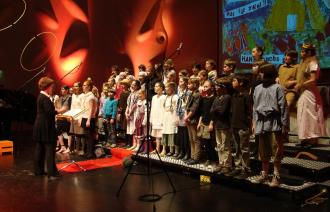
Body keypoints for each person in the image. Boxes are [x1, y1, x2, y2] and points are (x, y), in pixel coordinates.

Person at [250, 64, 288, 187]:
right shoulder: (257, 88)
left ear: (267, 74)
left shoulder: (278, 88)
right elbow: (255, 107)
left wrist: (285, 125)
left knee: (276, 149)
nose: (259, 75)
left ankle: (276, 175)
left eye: (261, 73)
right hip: (261, 122)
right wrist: (254, 123)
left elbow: (284, 108)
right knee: (263, 150)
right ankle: (264, 173)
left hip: (274, 122)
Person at [296, 43, 325, 145]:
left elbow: (312, 80)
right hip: (304, 92)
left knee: (310, 115)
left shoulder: (312, 63)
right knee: (303, 115)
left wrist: (300, 85)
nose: (301, 53)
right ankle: (305, 138)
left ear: (309, 52)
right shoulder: (303, 63)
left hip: (310, 92)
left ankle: (312, 140)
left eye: (303, 51)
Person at [33, 76, 60, 180]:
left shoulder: (40, 96)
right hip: (46, 126)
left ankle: (38, 170)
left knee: (39, 148)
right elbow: (49, 113)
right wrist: (59, 110)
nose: (52, 88)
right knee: (49, 148)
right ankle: (52, 172)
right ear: (48, 87)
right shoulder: (45, 98)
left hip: (39, 125)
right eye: (51, 86)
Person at [227, 74, 252, 178]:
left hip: (243, 126)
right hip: (235, 125)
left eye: (234, 81)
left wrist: (249, 125)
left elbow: (249, 112)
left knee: (244, 148)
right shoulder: (234, 95)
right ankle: (238, 167)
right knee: (237, 148)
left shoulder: (246, 96)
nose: (232, 83)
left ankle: (245, 169)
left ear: (241, 83)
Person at [210, 77, 232, 173]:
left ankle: (227, 165)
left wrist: (216, 110)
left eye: (218, 86)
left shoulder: (227, 97)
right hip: (217, 124)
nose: (216, 88)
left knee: (225, 145)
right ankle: (221, 163)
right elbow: (211, 111)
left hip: (225, 124)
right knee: (219, 145)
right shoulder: (216, 98)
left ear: (223, 87)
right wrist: (216, 109)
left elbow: (222, 111)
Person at [80, 80, 98, 158]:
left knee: (90, 136)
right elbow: (83, 108)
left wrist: (88, 120)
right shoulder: (85, 96)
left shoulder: (91, 97)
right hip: (84, 117)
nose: (83, 87)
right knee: (86, 136)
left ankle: (90, 153)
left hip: (89, 118)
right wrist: (81, 118)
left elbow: (91, 109)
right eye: (83, 85)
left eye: (85, 85)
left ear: (89, 87)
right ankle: (87, 152)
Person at [160, 82, 179, 156]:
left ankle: (175, 151)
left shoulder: (175, 97)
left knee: (172, 133)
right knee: (165, 133)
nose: (166, 89)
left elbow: (177, 108)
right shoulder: (165, 97)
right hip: (166, 116)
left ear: (172, 88)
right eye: (166, 87)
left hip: (172, 116)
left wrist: (177, 118)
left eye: (167, 87)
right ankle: (166, 150)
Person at [150, 82, 166, 153]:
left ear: (161, 88)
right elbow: (152, 108)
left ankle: (164, 150)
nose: (155, 88)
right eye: (155, 86)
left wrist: (164, 119)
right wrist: (151, 119)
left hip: (161, 117)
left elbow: (164, 109)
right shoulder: (154, 97)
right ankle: (157, 149)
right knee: (157, 135)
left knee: (162, 134)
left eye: (157, 86)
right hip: (155, 117)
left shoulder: (164, 97)